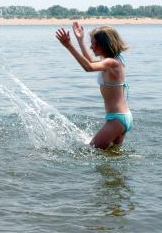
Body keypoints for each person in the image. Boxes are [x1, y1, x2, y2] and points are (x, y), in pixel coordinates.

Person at [56, 22, 132, 150]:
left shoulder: (111, 63)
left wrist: (69, 46)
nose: (91, 47)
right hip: (122, 118)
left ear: (104, 45)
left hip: (116, 120)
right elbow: (90, 62)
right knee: (112, 156)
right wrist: (80, 40)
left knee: (91, 150)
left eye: (93, 43)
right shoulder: (114, 60)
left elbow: (88, 67)